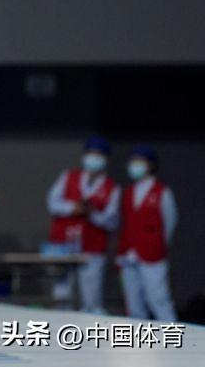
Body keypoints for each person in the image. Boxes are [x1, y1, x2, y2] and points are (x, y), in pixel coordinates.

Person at [46, 136, 119, 313]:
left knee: (91, 300)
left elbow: (111, 221)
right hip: (62, 243)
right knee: (61, 294)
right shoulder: (68, 176)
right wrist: (73, 207)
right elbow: (52, 203)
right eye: (90, 153)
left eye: (98, 154)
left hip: (92, 246)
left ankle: (92, 329)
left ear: (106, 159)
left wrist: (91, 213)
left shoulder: (112, 187)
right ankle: (60, 328)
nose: (93, 158)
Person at [117, 145, 178, 321]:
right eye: (133, 160)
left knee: (159, 301)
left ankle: (172, 336)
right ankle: (139, 338)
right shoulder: (128, 192)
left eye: (139, 161)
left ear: (150, 164)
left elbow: (170, 222)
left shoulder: (162, 192)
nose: (134, 164)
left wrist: (157, 246)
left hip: (152, 255)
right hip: (129, 254)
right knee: (133, 305)